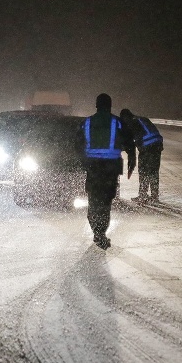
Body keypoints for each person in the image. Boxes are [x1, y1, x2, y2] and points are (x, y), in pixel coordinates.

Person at [78, 93, 135, 250]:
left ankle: (96, 230)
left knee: (94, 200)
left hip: (93, 168)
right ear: (110, 106)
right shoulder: (118, 122)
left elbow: (77, 144)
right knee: (105, 202)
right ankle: (100, 232)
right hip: (110, 169)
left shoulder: (86, 122)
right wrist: (132, 158)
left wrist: (83, 162)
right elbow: (129, 142)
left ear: (96, 105)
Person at [120, 109, 163, 202]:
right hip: (157, 145)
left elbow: (129, 141)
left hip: (147, 147)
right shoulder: (142, 119)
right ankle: (154, 196)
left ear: (124, 117)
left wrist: (120, 148)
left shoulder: (130, 123)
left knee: (143, 171)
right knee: (153, 171)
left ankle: (142, 195)